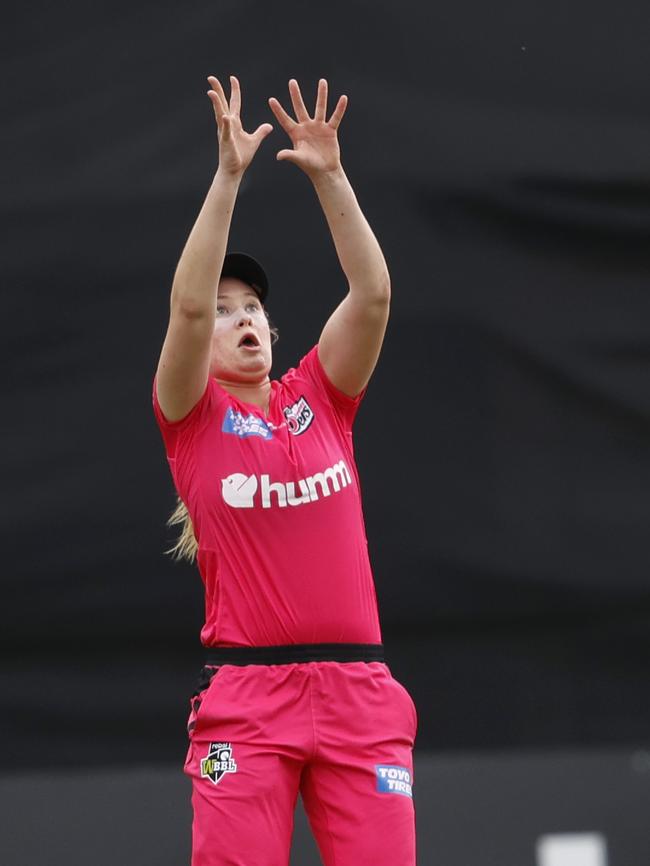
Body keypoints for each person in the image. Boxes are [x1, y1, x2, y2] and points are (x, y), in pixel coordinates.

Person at [152, 74, 417, 866]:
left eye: (253, 307)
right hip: (249, 701)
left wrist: (331, 177)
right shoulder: (192, 417)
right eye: (228, 310)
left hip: (359, 696)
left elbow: (371, 295)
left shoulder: (320, 400)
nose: (241, 321)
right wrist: (228, 176)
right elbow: (188, 311)